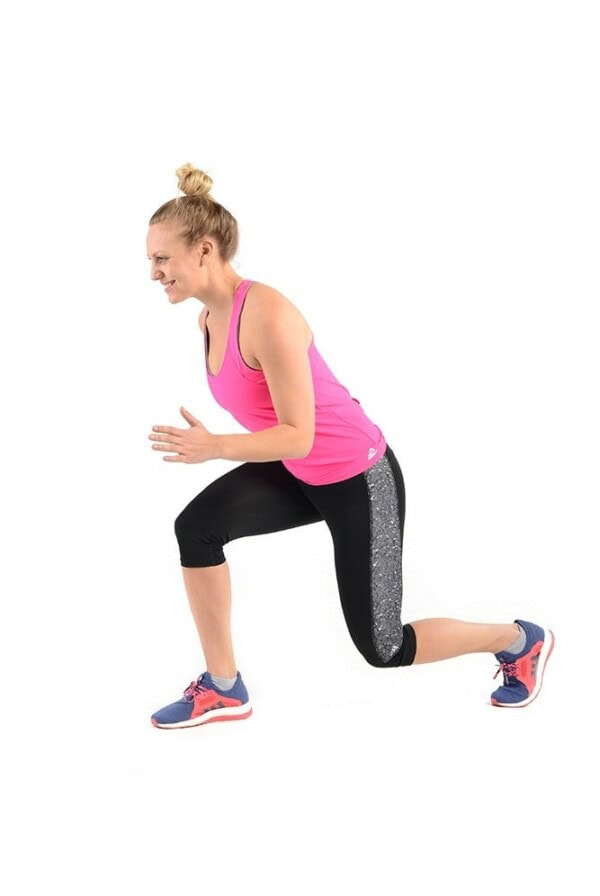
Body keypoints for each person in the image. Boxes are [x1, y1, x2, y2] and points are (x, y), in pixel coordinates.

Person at [146, 163, 554, 729]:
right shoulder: (208, 321)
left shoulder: (267, 312)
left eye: (161, 258)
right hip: (297, 471)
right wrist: (222, 447)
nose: (154, 271)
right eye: (151, 260)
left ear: (205, 250)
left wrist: (215, 446)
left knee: (383, 646)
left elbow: (301, 433)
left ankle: (518, 640)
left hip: (359, 476)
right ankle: (223, 686)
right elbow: (286, 437)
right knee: (197, 528)